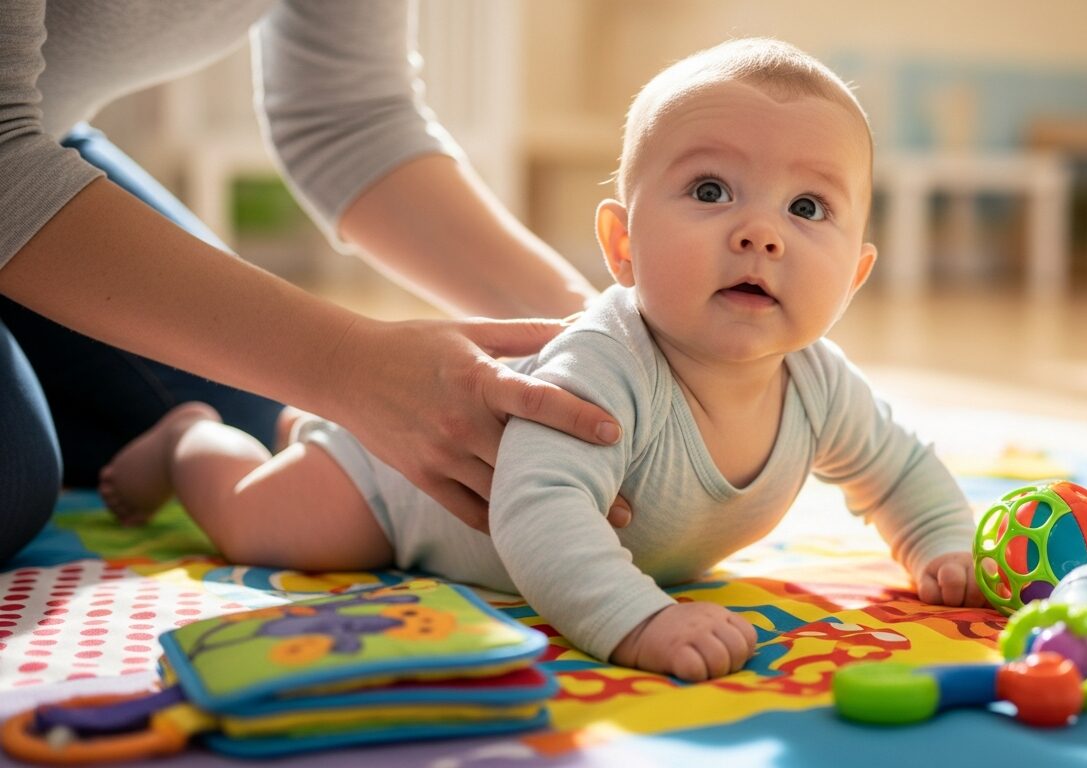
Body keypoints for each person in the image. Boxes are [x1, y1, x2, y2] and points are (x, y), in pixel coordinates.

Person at [98, 38, 985, 683]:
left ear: (859, 271)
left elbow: (895, 464)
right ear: (622, 241)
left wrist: (937, 541)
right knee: (269, 528)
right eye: (710, 191)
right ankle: (192, 440)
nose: (759, 231)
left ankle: (292, 425)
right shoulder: (608, 364)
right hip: (399, 485)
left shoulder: (820, 384)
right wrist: (635, 618)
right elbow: (538, 509)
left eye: (808, 207)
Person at [0, 1, 632, 566]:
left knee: (251, 419)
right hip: (12, 151)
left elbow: (352, 118)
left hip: (40, 134)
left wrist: (600, 328)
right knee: (15, 479)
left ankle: (143, 417)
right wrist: (345, 364)